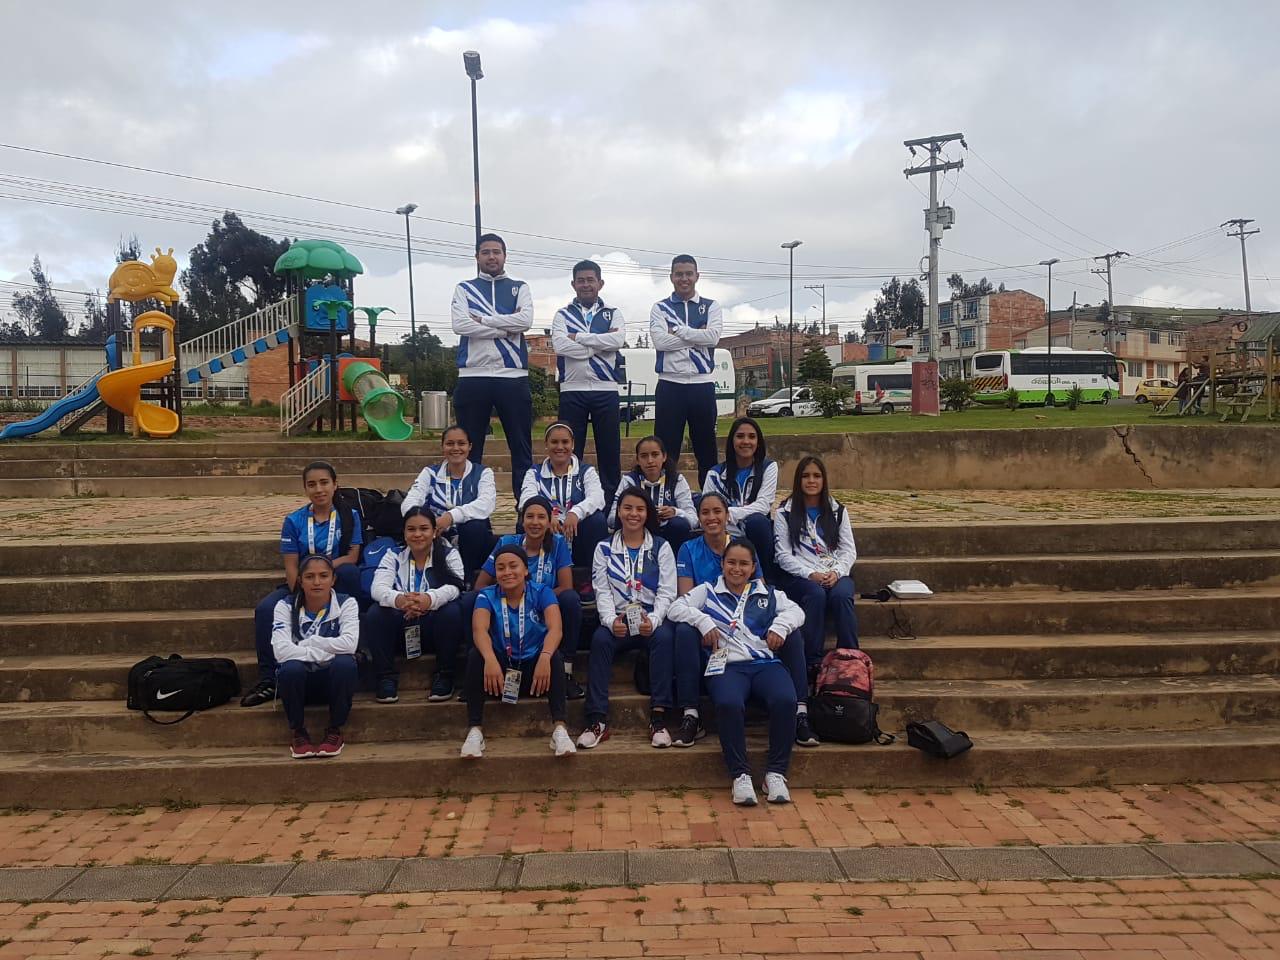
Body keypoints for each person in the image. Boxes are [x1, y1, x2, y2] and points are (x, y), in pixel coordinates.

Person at [668, 539, 804, 806]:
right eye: (731, 562)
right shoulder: (707, 591)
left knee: (786, 700)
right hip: (727, 667)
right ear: (722, 564)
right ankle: (739, 774)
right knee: (729, 704)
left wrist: (781, 626)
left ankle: (775, 773)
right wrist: (703, 620)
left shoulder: (768, 593)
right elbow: (675, 609)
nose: (737, 569)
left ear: (753, 567)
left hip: (764, 665)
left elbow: (797, 611)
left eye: (744, 564)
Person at [672, 492, 814, 748]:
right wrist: (705, 621)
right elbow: (684, 598)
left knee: (791, 631)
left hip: (747, 627)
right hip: (711, 623)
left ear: (728, 515)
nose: (711, 517)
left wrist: (775, 625)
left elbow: (760, 597)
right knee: (684, 629)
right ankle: (690, 714)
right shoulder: (689, 548)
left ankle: (800, 711)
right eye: (705, 512)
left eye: (717, 511)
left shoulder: (742, 545)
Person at [242, 461, 363, 707]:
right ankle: (269, 679)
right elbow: (291, 565)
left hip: (334, 579)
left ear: (335, 484)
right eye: (312, 484)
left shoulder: (349, 516)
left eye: (324, 482)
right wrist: (300, 593)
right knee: (266, 610)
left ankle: (353, 660)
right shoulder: (294, 520)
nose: (319, 489)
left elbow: (352, 556)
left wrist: (322, 570)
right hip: (301, 583)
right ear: (305, 489)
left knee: (351, 573)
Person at [576, 488, 678, 750]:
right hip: (619, 621)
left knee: (665, 637)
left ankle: (658, 718)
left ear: (648, 514)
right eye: (628, 508)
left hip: (649, 620)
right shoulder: (604, 548)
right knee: (600, 640)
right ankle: (597, 719)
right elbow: (601, 590)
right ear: (619, 512)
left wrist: (654, 620)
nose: (634, 514)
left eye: (640, 509)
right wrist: (610, 621)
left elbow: (668, 591)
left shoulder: (660, 546)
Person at [460, 546, 576, 758]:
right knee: (476, 656)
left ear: (525, 570)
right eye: (501, 568)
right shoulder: (487, 595)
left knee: (555, 657)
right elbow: (479, 629)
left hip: (535, 670)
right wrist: (490, 659)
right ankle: (475, 730)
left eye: (513, 566)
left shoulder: (542, 592)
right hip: (499, 673)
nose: (507, 572)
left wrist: (544, 656)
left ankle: (560, 729)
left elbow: (555, 629)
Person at [475, 496, 584, 700]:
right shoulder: (507, 542)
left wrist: (538, 598)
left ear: (549, 520)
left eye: (541, 517)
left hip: (547, 606)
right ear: (522, 520)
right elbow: (481, 584)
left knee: (571, 599)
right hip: (509, 603)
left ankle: (566, 670)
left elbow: (566, 586)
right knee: (471, 600)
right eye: (530, 517)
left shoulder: (558, 543)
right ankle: (479, 669)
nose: (535, 522)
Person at [450, 232, 534, 495]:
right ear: (477, 257)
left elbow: (525, 322)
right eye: (485, 252)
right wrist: (505, 327)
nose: (491, 256)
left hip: (513, 377)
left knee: (521, 450)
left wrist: (483, 321)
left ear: (504, 256)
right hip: (472, 377)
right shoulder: (464, 288)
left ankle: (526, 512)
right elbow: (460, 325)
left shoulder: (520, 287)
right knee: (469, 451)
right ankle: (471, 514)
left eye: (496, 252)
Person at [363, 507, 470, 704]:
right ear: (404, 533)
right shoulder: (392, 555)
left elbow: (456, 587)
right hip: (402, 624)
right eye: (411, 529)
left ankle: (444, 675)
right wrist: (401, 600)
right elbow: (377, 588)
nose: (418, 534)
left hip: (433, 627)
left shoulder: (449, 554)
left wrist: (429, 600)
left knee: (452, 611)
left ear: (434, 531)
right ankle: (386, 678)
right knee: (375, 614)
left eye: (424, 528)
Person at [773, 456, 859, 678]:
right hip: (803, 576)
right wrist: (810, 574)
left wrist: (836, 572)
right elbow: (782, 554)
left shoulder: (838, 510)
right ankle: (812, 660)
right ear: (798, 480)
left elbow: (849, 550)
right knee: (816, 595)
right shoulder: (785, 513)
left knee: (841, 596)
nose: (811, 481)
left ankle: (850, 658)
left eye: (817, 476)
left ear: (824, 480)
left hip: (835, 573)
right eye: (805, 476)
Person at [271, 553, 359, 759]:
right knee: (290, 667)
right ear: (300, 580)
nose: (317, 582)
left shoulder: (347, 603)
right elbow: (281, 651)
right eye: (310, 577)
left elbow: (349, 644)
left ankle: (335, 730)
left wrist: (311, 642)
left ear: (333, 579)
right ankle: (298, 731)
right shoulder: (284, 606)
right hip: (300, 683)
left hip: (333, 682)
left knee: (346, 663)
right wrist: (326, 650)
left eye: (323, 576)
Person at [552, 260, 626, 495]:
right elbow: (560, 345)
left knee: (609, 452)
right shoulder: (562, 315)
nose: (586, 285)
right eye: (581, 280)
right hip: (572, 390)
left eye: (590, 280)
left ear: (600, 283)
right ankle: (572, 499)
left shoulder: (613, 314)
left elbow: (616, 341)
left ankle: (611, 504)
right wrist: (598, 342)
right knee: (572, 452)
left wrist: (579, 338)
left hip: (606, 390)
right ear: (573, 284)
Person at [650, 254, 722, 483]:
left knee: (706, 448)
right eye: (679, 274)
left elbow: (713, 338)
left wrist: (678, 331)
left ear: (697, 276)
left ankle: (710, 501)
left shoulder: (711, 306)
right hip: (670, 384)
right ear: (671, 277)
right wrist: (696, 335)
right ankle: (665, 495)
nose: (684, 278)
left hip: (702, 384)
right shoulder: (660, 308)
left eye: (688, 274)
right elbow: (661, 342)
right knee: (666, 450)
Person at [402, 424, 497, 577]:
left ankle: (468, 578)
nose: (456, 448)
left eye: (461, 443)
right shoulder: (430, 473)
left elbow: (486, 504)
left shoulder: (483, 473)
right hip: (437, 534)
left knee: (475, 528)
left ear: (470, 446)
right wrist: (428, 523)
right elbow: (409, 502)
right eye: (450, 443)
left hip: (472, 541)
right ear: (443, 447)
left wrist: (451, 516)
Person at [517, 422, 608, 568]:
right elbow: (526, 499)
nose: (560, 447)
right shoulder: (534, 472)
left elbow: (597, 497)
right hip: (549, 528)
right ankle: (532, 572)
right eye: (554, 442)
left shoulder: (586, 471)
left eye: (565, 442)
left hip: (577, 528)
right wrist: (545, 515)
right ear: (546, 444)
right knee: (526, 521)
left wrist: (575, 513)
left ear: (572, 444)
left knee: (597, 521)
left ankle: (590, 573)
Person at [702, 416, 778, 574]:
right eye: (740, 436)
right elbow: (708, 510)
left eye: (752, 436)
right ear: (732, 441)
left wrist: (729, 513)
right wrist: (724, 518)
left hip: (755, 533)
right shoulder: (714, 474)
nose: (746, 441)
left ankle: (767, 578)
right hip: (725, 533)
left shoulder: (768, 468)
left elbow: (763, 505)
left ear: (759, 441)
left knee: (758, 521)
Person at [608, 435, 696, 554]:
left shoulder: (676, 480)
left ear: (664, 457)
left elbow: (694, 520)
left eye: (655, 455)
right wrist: (640, 516)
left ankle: (677, 566)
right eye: (644, 456)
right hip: (638, 532)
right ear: (638, 460)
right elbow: (612, 519)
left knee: (679, 524)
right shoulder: (629, 481)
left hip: (668, 533)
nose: (650, 461)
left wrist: (675, 512)